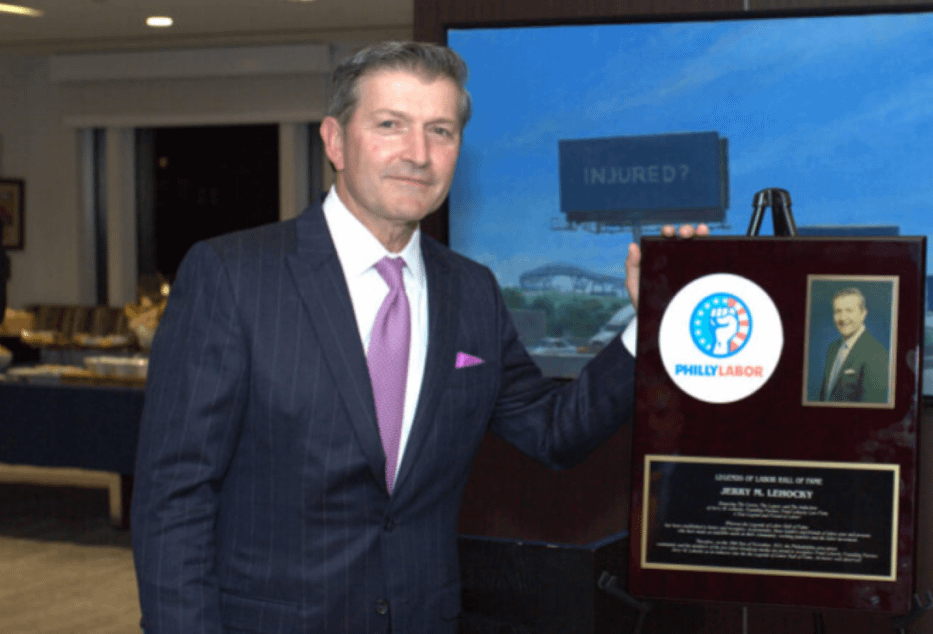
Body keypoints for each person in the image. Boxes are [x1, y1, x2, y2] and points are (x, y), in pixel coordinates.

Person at [130, 41, 706, 634]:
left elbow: (554, 432)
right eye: (389, 125)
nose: (419, 154)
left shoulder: (472, 291)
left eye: (441, 131)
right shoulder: (232, 276)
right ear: (334, 141)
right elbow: (174, 498)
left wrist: (651, 321)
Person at [819, 286, 889, 403]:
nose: (842, 318)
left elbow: (871, 411)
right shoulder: (832, 348)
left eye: (849, 310)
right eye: (838, 311)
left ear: (863, 314)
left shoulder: (877, 354)